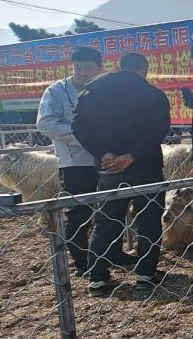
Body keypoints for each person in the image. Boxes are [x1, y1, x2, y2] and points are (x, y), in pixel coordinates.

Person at [72, 52, 172, 294]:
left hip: (109, 168)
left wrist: (102, 153)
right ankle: (145, 274)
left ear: (118, 67)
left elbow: (78, 126)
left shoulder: (90, 92)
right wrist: (132, 155)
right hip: (146, 167)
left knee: (106, 222)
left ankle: (97, 277)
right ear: (144, 70)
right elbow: (159, 130)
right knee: (148, 221)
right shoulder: (153, 95)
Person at [36, 47, 130, 277]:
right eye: (78, 68)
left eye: (88, 69)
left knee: (113, 208)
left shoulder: (108, 89)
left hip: (109, 159)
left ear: (100, 68)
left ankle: (114, 252)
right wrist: (86, 139)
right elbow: (46, 123)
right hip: (75, 161)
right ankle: (82, 261)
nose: (82, 73)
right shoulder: (56, 91)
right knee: (79, 212)